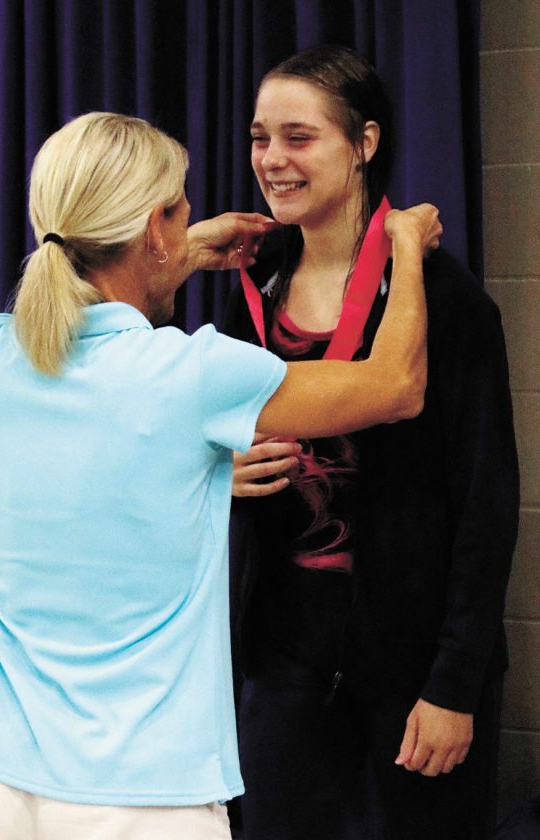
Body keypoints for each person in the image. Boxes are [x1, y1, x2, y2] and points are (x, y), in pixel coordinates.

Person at [0, 112, 440, 840]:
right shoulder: (192, 376)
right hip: (141, 799)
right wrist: (406, 245)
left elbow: (90, 335)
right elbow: (397, 386)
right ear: (153, 228)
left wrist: (176, 250)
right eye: (180, 209)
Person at [223, 45, 519, 840]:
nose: (272, 160)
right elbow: (198, 441)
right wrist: (223, 470)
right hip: (283, 664)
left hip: (415, 668)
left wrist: (454, 682)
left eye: (299, 137)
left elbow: (487, 502)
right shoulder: (250, 290)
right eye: (259, 138)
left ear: (365, 142)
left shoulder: (444, 299)